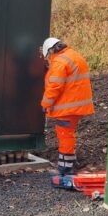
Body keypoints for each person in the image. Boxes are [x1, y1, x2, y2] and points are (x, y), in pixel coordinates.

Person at [40, 38, 95, 176]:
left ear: (51, 51)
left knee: (64, 135)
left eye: (48, 56)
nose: (48, 59)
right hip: (77, 105)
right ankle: (72, 161)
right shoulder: (73, 55)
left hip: (67, 107)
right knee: (69, 134)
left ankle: (65, 169)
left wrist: (45, 104)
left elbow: (55, 86)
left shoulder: (59, 62)